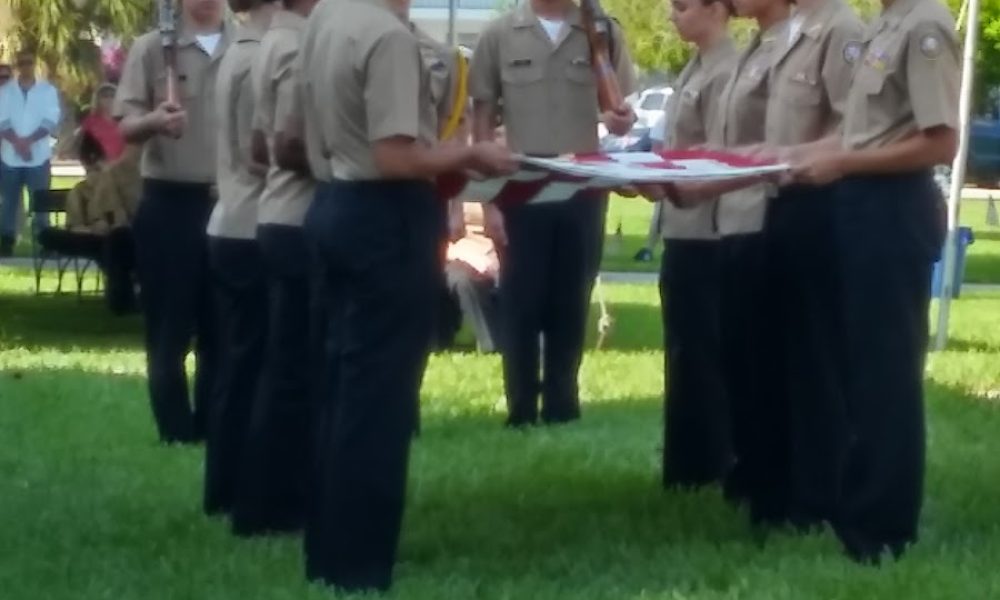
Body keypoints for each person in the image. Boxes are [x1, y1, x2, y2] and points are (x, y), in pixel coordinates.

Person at [297, 0, 515, 590]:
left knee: (341, 386)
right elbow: (395, 154)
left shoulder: (327, 18)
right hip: (383, 217)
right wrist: (473, 152)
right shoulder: (388, 38)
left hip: (332, 202)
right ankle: (362, 562)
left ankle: (329, 550)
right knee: (380, 400)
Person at [786, 0, 960, 563]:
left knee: (887, 371)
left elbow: (940, 142)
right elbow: (862, 134)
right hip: (859, 204)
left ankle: (884, 527)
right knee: (859, 366)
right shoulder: (883, 24)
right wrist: (788, 156)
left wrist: (844, 167)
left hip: (893, 207)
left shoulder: (925, 26)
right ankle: (856, 505)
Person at [469, 0, 638, 427]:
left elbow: (617, 106)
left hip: (581, 185)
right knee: (521, 301)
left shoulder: (600, 30)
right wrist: (489, 203)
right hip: (522, 185)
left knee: (571, 297)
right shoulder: (501, 34)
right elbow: (484, 122)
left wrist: (620, 119)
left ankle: (563, 403)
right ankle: (521, 406)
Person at [757, 0, 862, 531]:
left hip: (821, 207)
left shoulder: (841, 29)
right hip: (782, 201)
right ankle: (782, 486)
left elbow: (854, 129)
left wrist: (790, 159)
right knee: (783, 356)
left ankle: (821, 496)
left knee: (817, 359)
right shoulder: (792, 30)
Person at [114, 0, 232, 444]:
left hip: (230, 203)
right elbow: (124, 126)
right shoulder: (152, 48)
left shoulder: (247, 46)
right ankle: (176, 431)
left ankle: (216, 426)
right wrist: (153, 121)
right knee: (169, 329)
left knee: (223, 327)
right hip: (170, 202)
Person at [229, 0, 319, 536]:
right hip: (296, 217)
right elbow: (285, 145)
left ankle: (263, 500)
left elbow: (260, 147)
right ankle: (272, 504)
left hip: (276, 215)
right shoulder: (295, 44)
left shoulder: (273, 40)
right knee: (292, 375)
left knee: (282, 370)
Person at [653, 0, 738, 490]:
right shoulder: (696, 66)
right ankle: (685, 463)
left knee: (705, 350)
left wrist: (665, 177)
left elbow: (717, 154)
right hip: (681, 222)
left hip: (707, 227)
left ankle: (710, 462)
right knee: (684, 348)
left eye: (683, 6)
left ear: (714, 9)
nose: (673, 15)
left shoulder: (728, 68)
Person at [202, 0, 273, 519]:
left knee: (238, 363)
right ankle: (249, 489)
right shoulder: (265, 53)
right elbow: (262, 151)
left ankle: (224, 486)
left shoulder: (236, 50)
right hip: (255, 221)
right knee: (261, 366)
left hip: (231, 217)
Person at [36, 143, 141, 314]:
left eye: (98, 164)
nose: (94, 170)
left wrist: (112, 224)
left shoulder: (120, 184)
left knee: (116, 242)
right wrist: (92, 229)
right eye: (90, 165)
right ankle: (123, 294)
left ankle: (122, 297)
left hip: (119, 236)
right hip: (92, 237)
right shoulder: (79, 191)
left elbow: (122, 216)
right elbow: (74, 225)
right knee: (48, 235)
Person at [0, 50, 61, 257]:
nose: (25, 66)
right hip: (10, 157)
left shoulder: (47, 91)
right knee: (9, 202)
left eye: (29, 62)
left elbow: (50, 120)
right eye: (22, 63)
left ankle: (45, 242)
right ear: (18, 66)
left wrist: (28, 142)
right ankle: (6, 242)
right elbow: (2, 120)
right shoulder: (6, 91)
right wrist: (18, 143)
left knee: (40, 202)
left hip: (39, 157)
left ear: (34, 64)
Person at [437, 200, 503, 353]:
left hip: (497, 253)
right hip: (458, 254)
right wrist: (464, 257)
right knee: (463, 280)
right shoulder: (451, 194)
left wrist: (496, 259)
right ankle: (489, 345)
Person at [79, 83, 126, 163]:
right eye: (105, 96)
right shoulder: (90, 122)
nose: (109, 99)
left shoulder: (125, 121)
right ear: (97, 100)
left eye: (112, 96)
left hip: (122, 167)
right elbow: (84, 149)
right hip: (97, 168)